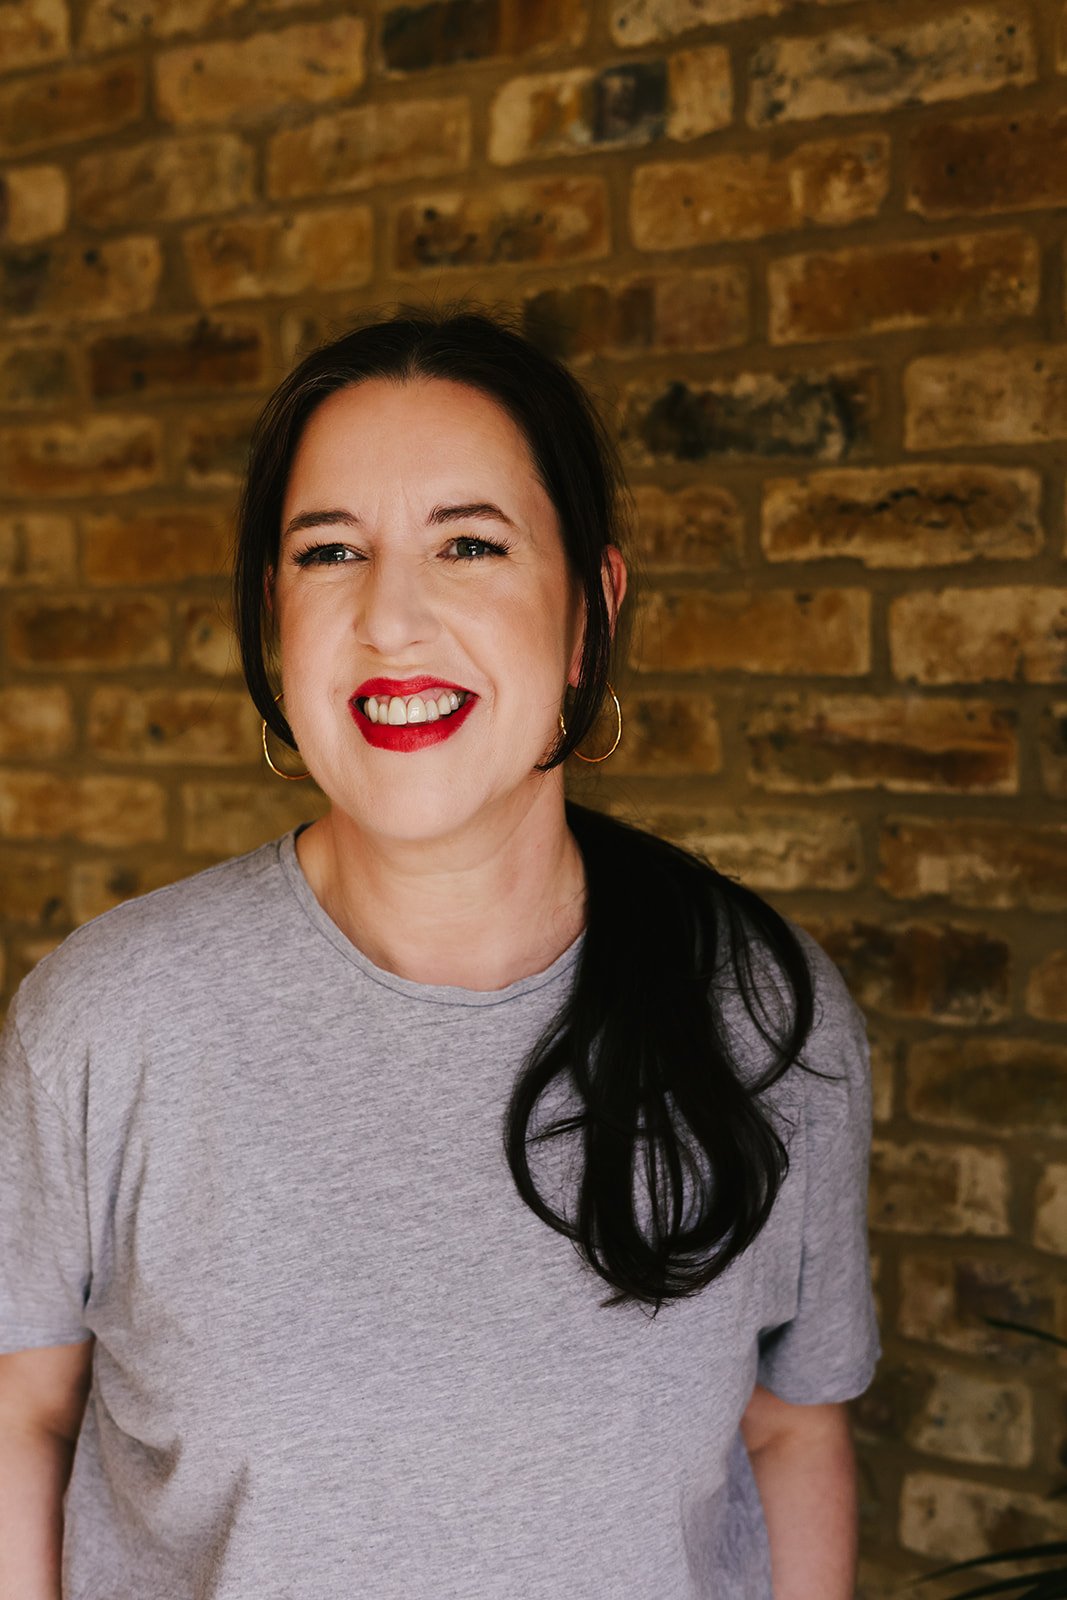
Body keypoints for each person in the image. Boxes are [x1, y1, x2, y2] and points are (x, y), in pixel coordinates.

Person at [0, 307, 879, 1600]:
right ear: (273, 618)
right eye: (329, 553)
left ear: (589, 610)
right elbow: (23, 1413)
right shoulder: (106, 1023)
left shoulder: (765, 1015)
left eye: (469, 543)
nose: (391, 621)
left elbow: (793, 1426)